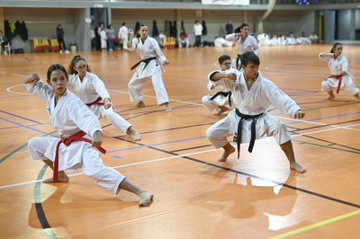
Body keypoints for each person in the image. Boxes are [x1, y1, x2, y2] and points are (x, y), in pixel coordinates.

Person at [25, 64, 153, 206]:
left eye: (62, 79)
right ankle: (60, 174)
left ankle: (141, 192)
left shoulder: (72, 102)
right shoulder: (51, 95)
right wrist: (31, 81)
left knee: (96, 171)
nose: (59, 82)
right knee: (34, 144)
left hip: (83, 143)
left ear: (67, 80)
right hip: (65, 142)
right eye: (55, 80)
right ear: (50, 82)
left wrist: (97, 133)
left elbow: (88, 117)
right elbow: (38, 88)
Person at [206, 52, 306, 174]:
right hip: (237, 117)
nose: (255, 70)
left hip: (259, 119)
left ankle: (293, 162)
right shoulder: (234, 77)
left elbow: (280, 97)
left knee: (279, 127)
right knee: (211, 133)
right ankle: (228, 149)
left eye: (257, 67)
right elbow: (212, 77)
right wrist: (225, 75)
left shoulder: (265, 84)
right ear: (243, 67)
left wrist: (295, 110)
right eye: (252, 67)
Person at [67, 55, 141, 141]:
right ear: (75, 68)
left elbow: (101, 88)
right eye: (80, 67)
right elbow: (62, 84)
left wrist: (106, 99)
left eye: (84, 66)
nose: (83, 69)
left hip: (100, 104)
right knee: (76, 125)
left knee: (110, 113)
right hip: (86, 108)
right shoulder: (73, 79)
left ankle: (131, 130)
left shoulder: (92, 78)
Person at [127, 24, 171, 112]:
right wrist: (130, 36)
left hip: (154, 64)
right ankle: (140, 101)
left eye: (146, 30)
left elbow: (159, 52)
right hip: (144, 65)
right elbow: (130, 46)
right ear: (139, 32)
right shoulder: (136, 40)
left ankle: (166, 104)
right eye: (142, 30)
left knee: (157, 83)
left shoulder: (152, 40)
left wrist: (164, 60)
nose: (144, 32)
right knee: (132, 84)